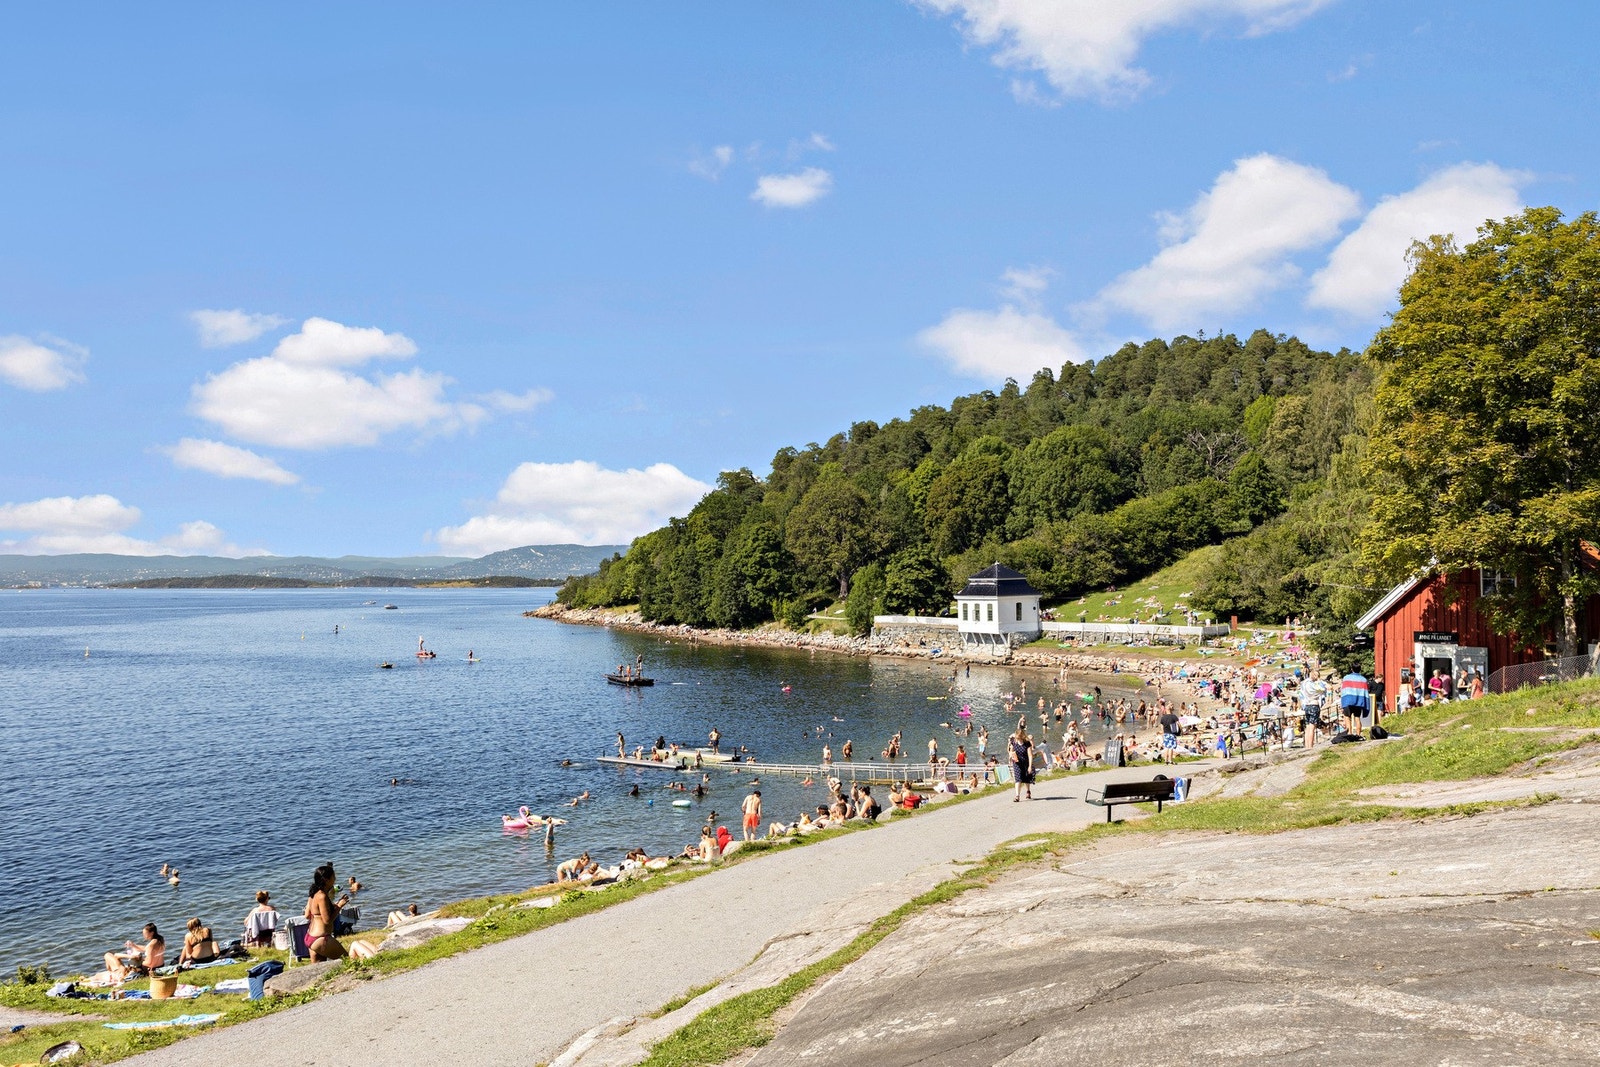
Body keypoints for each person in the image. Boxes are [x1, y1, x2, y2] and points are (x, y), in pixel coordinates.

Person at [305, 863, 348, 962]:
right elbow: (327, 921)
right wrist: (339, 906)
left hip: (310, 936)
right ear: (326, 880)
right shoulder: (322, 896)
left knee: (318, 969)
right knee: (347, 960)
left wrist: (332, 907)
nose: (335, 879)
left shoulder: (313, 893)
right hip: (320, 938)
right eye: (333, 877)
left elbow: (307, 915)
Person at [1009, 722, 1034, 802]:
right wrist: (1011, 757)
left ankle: (1028, 791)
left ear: (1022, 736)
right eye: (1017, 737)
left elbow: (1030, 755)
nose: (1018, 739)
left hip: (1025, 763)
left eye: (1019, 737)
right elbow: (1011, 751)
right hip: (1016, 763)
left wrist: (1030, 766)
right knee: (1018, 779)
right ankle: (1017, 796)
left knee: (1026, 778)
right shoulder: (1014, 742)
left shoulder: (1027, 743)